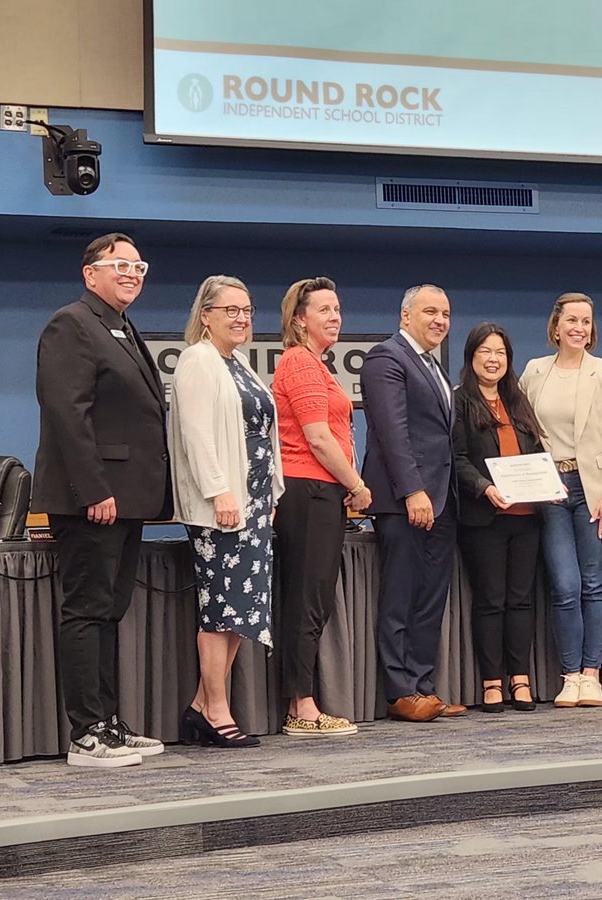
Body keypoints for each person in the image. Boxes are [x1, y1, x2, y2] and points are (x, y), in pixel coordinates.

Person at [31, 233, 171, 767]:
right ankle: (85, 734)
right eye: (120, 265)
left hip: (128, 498)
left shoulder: (122, 326)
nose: (132, 273)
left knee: (109, 612)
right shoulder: (71, 323)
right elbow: (67, 414)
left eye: (139, 266)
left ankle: (109, 724)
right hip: (93, 498)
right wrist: (94, 489)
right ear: (90, 273)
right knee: (87, 610)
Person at [169, 276, 282, 748]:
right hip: (224, 507)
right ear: (206, 316)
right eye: (230, 310)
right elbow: (197, 434)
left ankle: (202, 705)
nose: (241, 318)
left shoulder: (238, 363)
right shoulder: (197, 359)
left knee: (241, 609)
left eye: (247, 310)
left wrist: (271, 493)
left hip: (254, 502)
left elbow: (264, 434)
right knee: (220, 609)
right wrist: (219, 491)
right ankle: (216, 709)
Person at [361, 284, 466, 722]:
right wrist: (412, 490)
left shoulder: (433, 365)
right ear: (406, 316)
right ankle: (400, 690)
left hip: (442, 499)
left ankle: (423, 686)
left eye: (445, 313)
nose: (440, 320)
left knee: (430, 598)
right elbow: (392, 432)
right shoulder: (386, 358)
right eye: (430, 312)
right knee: (401, 595)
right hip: (407, 499)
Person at [521, 292, 602, 708]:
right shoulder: (535, 371)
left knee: (592, 584)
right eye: (571, 320)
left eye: (585, 321)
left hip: (596, 491)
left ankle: (591, 675)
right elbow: (521, 429)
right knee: (564, 586)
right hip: (551, 489)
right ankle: (570, 676)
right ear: (556, 325)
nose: (578, 328)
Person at [272, 277, 369, 736]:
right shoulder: (300, 362)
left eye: (337, 308)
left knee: (312, 600)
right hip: (308, 491)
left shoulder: (317, 364)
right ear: (299, 320)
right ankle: (301, 707)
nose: (335, 317)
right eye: (324, 310)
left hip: (321, 491)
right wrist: (357, 484)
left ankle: (303, 701)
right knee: (306, 602)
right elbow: (317, 438)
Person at [453, 323, 544, 713]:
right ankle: (492, 682)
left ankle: (520, 679)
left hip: (527, 516)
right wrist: (484, 487)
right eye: (485, 352)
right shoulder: (459, 401)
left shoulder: (518, 401)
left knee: (520, 601)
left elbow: (536, 453)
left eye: (501, 353)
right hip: (484, 517)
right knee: (490, 600)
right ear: (471, 357)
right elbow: (456, 459)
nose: (494, 360)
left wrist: (548, 483)